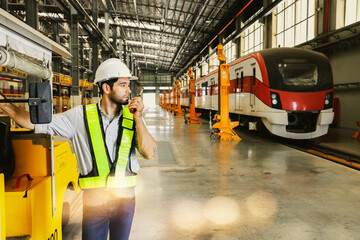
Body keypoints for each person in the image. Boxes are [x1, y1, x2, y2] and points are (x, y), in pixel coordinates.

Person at [0, 58, 156, 240]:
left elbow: (149, 151)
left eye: (128, 85)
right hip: (94, 203)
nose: (129, 90)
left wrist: (138, 119)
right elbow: (37, 124)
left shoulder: (132, 118)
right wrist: (5, 106)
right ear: (107, 88)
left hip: (126, 202)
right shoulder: (79, 117)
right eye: (123, 85)